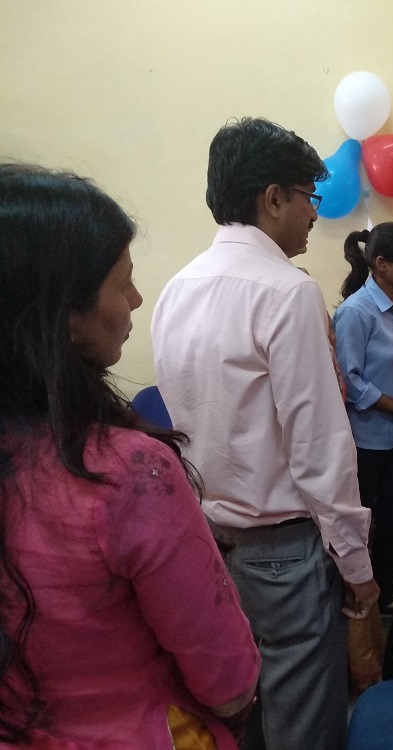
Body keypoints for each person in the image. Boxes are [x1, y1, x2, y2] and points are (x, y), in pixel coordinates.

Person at [0, 163, 259, 749]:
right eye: (123, 284)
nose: (137, 300)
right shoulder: (125, 472)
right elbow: (229, 680)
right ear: (65, 315)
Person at [151, 117, 378, 750]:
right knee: (303, 721)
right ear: (272, 198)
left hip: (207, 541)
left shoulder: (177, 288)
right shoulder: (287, 292)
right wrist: (357, 566)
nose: (315, 213)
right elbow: (318, 450)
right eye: (309, 196)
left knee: (237, 710)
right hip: (284, 552)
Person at [333, 222, 393, 613]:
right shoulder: (356, 312)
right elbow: (349, 380)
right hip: (368, 440)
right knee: (363, 525)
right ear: (382, 264)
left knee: (392, 521)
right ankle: (357, 601)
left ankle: (385, 596)